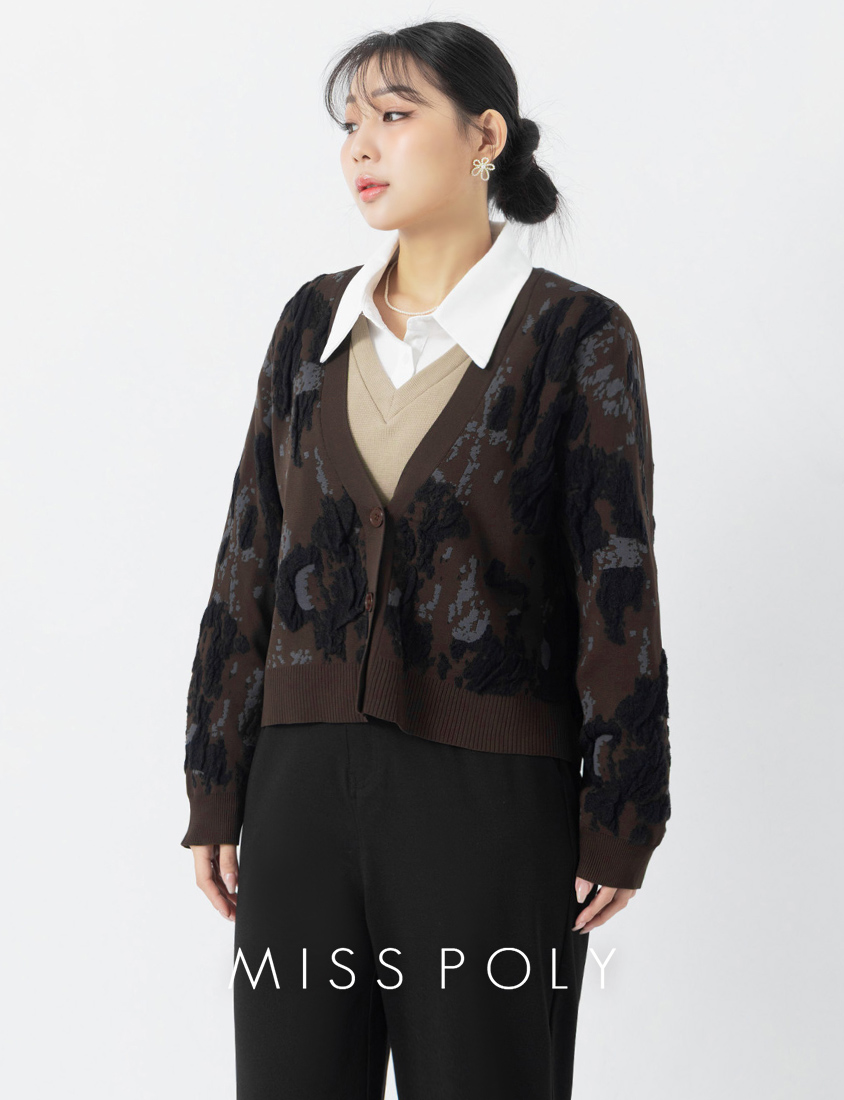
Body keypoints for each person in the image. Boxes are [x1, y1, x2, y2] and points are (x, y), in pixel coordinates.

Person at [180, 19, 671, 1100]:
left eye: (395, 117)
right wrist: (216, 783)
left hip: (488, 801)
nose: (361, 146)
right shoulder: (310, 324)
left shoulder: (575, 337)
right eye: (351, 123)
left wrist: (621, 812)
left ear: (484, 135)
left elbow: (617, 589)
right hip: (300, 790)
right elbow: (248, 555)